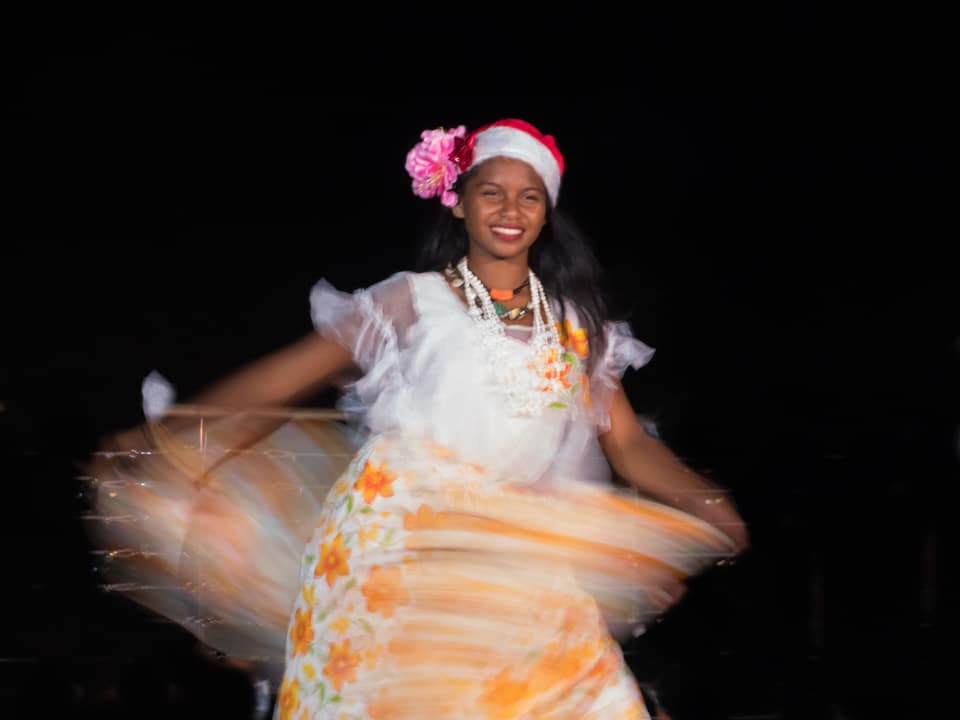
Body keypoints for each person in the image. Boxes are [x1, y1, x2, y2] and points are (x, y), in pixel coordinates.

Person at [90, 118, 748, 719]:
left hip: (517, 554)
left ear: (547, 214)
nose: (510, 210)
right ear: (459, 202)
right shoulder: (413, 301)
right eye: (492, 192)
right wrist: (170, 433)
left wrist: (705, 501)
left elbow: (628, 441)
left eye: (529, 196)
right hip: (396, 544)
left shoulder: (574, 330)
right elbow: (287, 377)